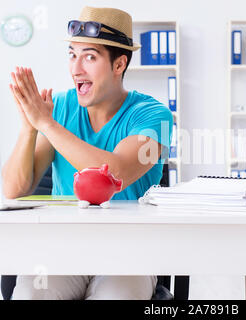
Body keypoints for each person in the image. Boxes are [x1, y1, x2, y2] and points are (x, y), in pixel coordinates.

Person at [2, 6, 173, 300]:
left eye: (90, 57)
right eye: (72, 54)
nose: (76, 69)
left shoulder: (153, 115)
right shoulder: (61, 109)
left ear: (119, 64)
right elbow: (14, 190)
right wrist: (30, 128)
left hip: (130, 253)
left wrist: (46, 123)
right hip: (63, 247)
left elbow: (115, 173)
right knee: (31, 295)